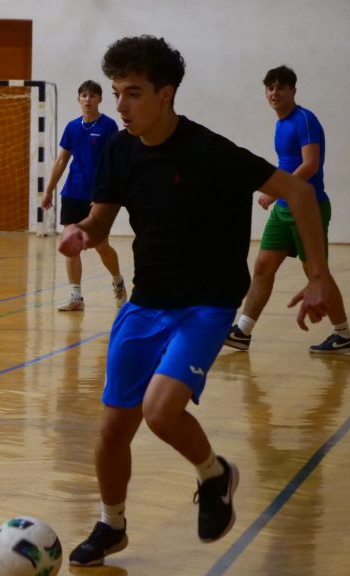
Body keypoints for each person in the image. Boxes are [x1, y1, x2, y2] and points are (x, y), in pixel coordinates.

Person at [63, 36, 338, 567]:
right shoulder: (120, 149)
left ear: (165, 93)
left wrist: (318, 275)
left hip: (206, 305)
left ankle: (214, 474)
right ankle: (111, 525)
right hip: (146, 303)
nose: (121, 105)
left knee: (160, 410)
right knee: (112, 432)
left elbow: (300, 193)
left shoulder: (210, 152)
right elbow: (101, 219)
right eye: (117, 93)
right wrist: (84, 232)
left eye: (133, 93)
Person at [225, 66, 350, 354]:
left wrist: (275, 190)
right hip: (283, 209)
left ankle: (343, 334)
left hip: (308, 208)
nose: (274, 92)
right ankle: (243, 331)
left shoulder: (304, 120)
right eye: (270, 87)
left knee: (316, 272)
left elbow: (310, 164)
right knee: (263, 266)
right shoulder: (281, 124)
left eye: (281, 87)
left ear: (293, 90)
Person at [40, 80, 126, 311]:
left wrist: (106, 192)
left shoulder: (108, 126)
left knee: (101, 246)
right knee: (70, 242)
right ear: (78, 99)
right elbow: (62, 160)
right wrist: (48, 190)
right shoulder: (72, 127)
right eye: (84, 95)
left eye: (93, 95)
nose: (88, 99)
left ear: (100, 99)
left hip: (97, 195)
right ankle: (76, 297)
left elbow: (113, 162)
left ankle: (118, 281)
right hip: (72, 192)